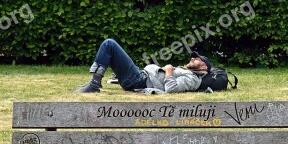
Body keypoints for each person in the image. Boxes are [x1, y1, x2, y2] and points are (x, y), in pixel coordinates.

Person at [75, 38, 212, 94]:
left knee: (109, 44)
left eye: (198, 59)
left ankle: (94, 84)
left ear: (204, 67)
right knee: (111, 48)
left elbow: (171, 89)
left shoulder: (194, 79)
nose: (193, 58)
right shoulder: (188, 73)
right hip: (139, 77)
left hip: (138, 80)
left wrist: (169, 71)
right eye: (193, 56)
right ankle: (94, 82)